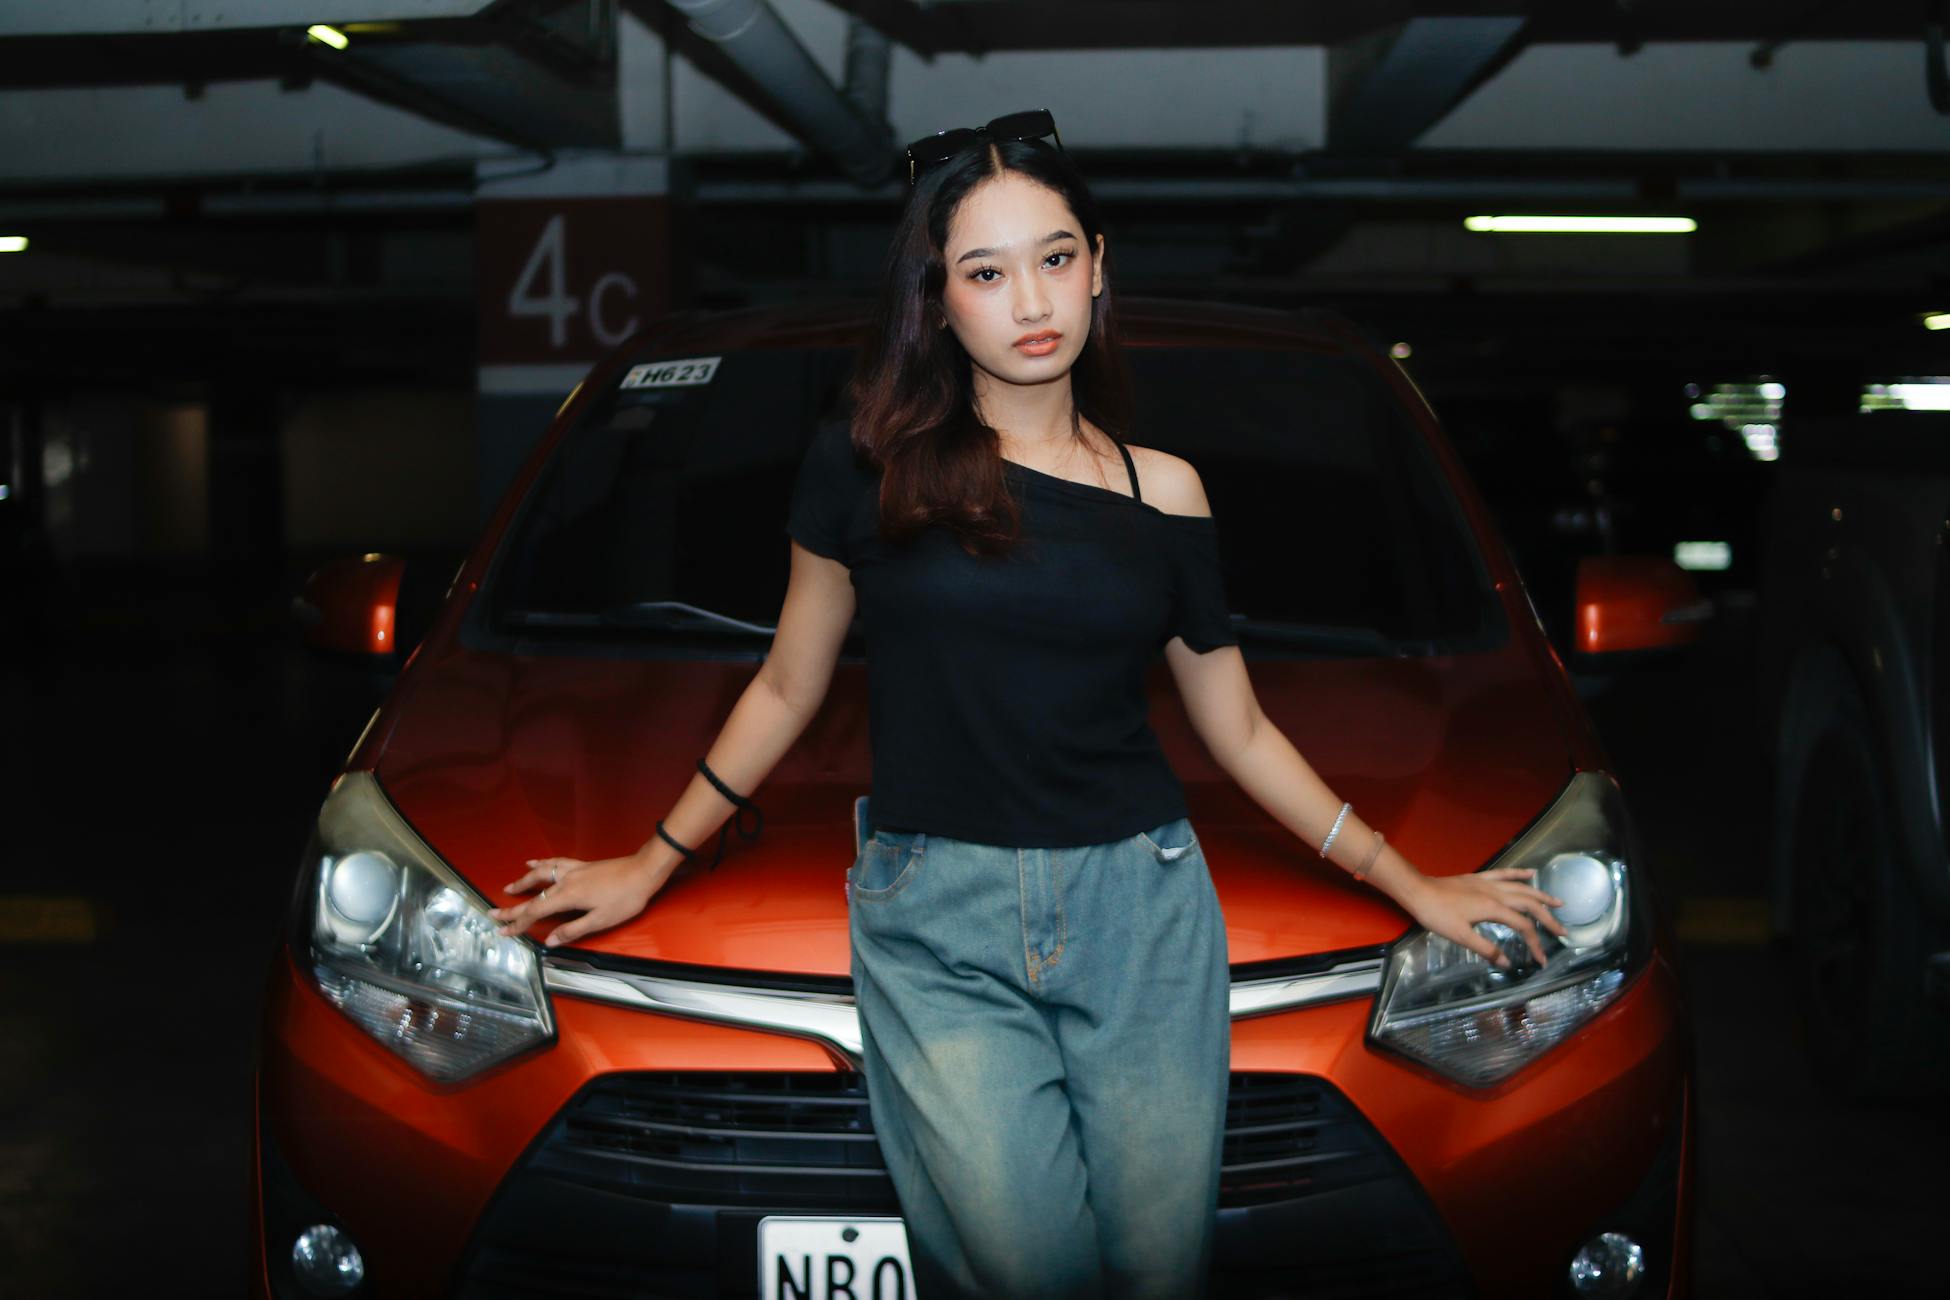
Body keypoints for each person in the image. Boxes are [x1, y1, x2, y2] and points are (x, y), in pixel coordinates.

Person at [486, 109, 1570, 1300]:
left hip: (1144, 913)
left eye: (1055, 258)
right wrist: (649, 862)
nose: (1030, 300)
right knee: (1032, 1268)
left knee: (1159, 1274)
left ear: (1099, 266)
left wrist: (1412, 880)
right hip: (937, 920)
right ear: (938, 301)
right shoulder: (868, 467)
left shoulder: (1167, 493)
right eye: (986, 272)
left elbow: (1240, 726)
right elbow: (789, 683)